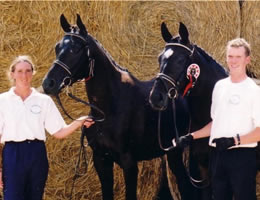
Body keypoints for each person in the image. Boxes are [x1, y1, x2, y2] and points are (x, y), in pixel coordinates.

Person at [175, 38, 260, 200]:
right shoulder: (219, 87)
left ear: (247, 60)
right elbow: (216, 123)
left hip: (242, 157)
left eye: (238, 57)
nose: (233, 61)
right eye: (230, 56)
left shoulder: (253, 91)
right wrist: (191, 136)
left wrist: (234, 141)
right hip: (218, 156)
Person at [0, 55, 95, 200]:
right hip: (13, 155)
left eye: (28, 71)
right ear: (12, 74)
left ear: (33, 73)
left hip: (37, 154)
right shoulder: (3, 100)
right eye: (19, 71)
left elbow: (59, 131)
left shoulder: (43, 101)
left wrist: (80, 121)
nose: (24, 75)